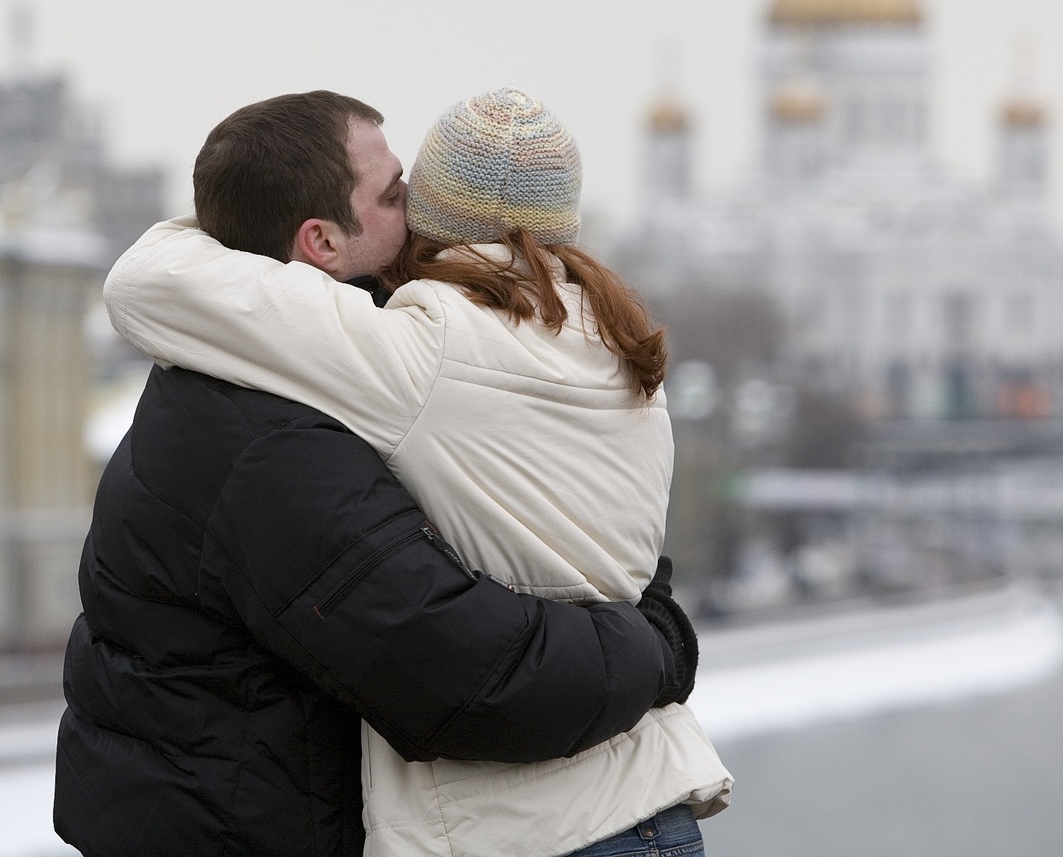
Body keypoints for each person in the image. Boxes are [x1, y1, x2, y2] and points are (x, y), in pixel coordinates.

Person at [55, 90, 701, 857]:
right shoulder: (621, 345)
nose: (410, 215)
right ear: (322, 239)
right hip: (646, 802)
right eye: (396, 195)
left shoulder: (411, 358)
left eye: (416, 194)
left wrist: (238, 217)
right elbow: (476, 663)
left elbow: (150, 282)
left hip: (538, 826)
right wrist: (655, 635)